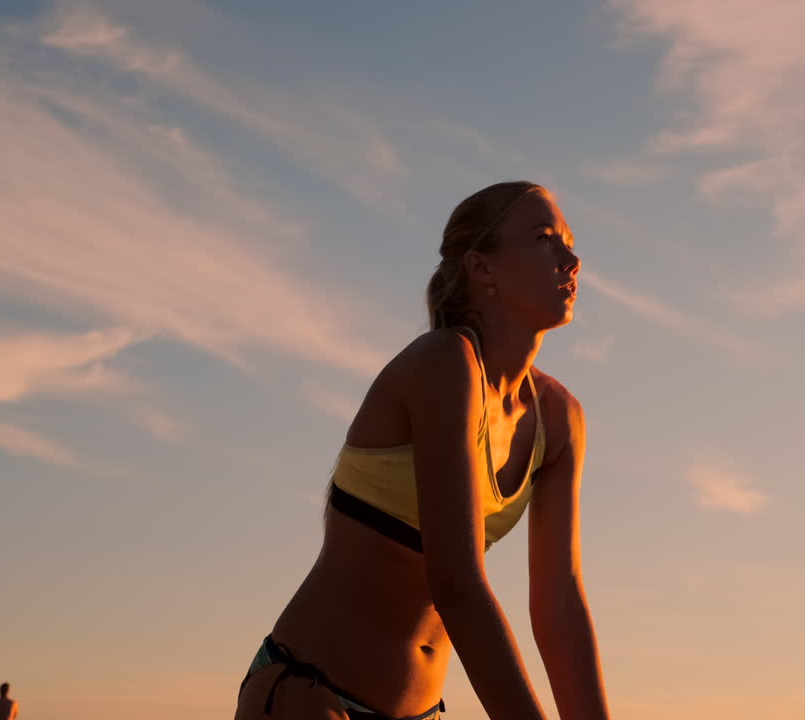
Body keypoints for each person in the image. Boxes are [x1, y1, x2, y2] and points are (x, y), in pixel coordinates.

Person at [234, 181, 609, 720]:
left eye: (569, 241)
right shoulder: (445, 365)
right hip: (313, 693)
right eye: (545, 239)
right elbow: (456, 583)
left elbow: (559, 607)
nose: (571, 259)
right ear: (483, 269)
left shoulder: (560, 419)